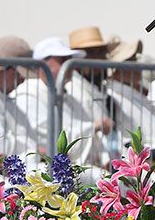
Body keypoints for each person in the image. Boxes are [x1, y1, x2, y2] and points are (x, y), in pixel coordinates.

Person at [11, 37, 110, 167]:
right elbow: (46, 135)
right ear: (43, 63)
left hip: (75, 167)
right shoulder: (28, 93)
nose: (68, 66)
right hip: (47, 170)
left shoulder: (65, 92)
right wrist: (93, 127)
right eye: (62, 60)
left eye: (69, 60)